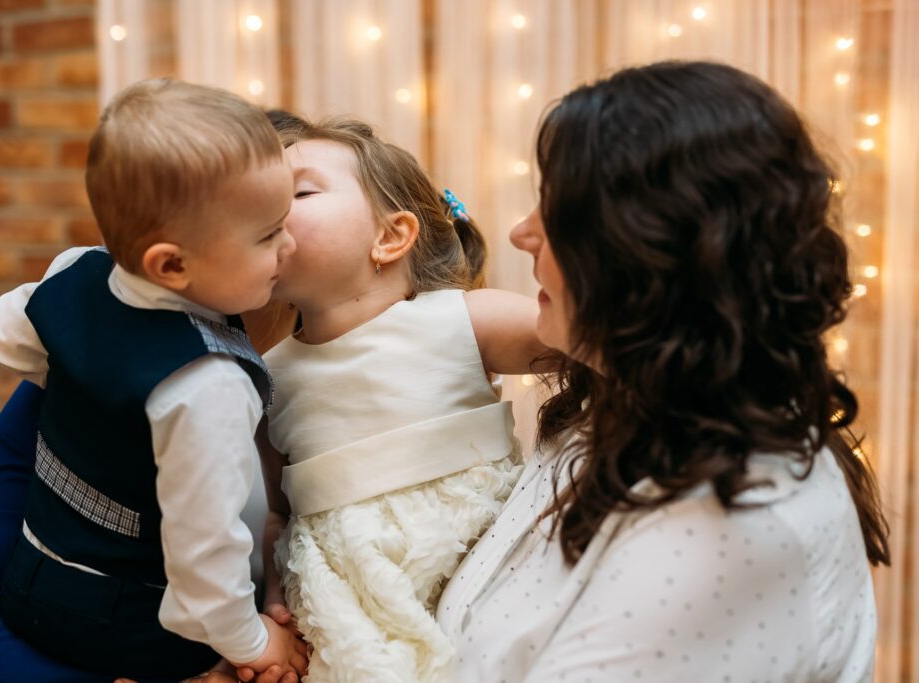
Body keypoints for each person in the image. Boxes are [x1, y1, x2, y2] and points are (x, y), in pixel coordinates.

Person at [435, 60, 890, 681]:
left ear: (651, 251)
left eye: (559, 211)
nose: (521, 233)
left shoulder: (730, 531)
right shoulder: (616, 404)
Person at [0, 78, 305, 681]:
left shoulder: (77, 269)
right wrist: (254, 643)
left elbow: (2, 332)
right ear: (172, 264)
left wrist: (86, 381)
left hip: (26, 578)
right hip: (128, 622)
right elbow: (205, 557)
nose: (289, 245)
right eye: (268, 234)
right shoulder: (207, 384)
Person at [255, 116, 545, 683]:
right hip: (347, 594)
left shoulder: (460, 319)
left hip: (481, 560)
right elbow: (275, 511)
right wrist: (274, 596)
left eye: (300, 192)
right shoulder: (267, 375)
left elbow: (590, 340)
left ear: (389, 236)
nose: (266, 210)